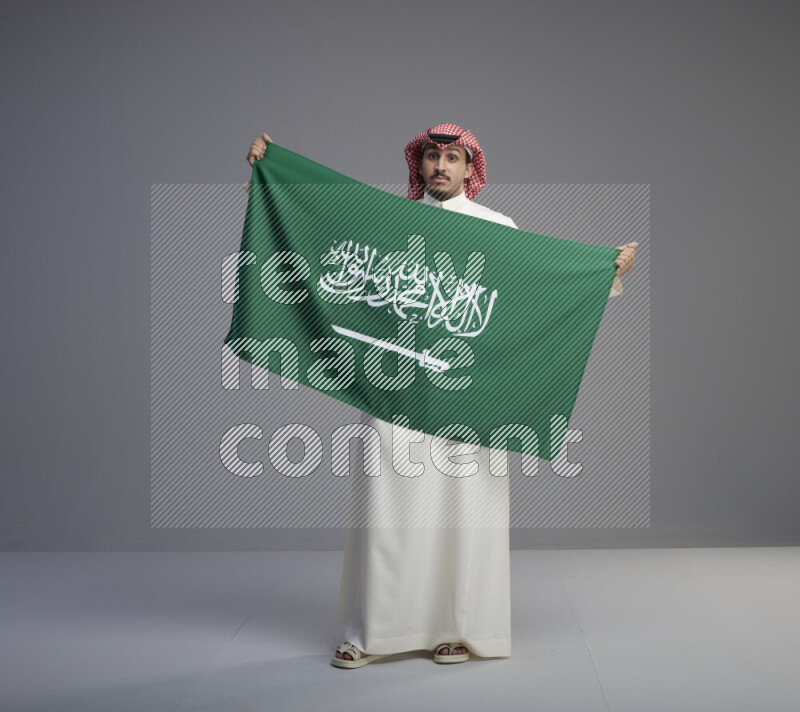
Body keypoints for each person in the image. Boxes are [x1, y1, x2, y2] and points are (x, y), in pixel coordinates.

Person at [245, 125, 637, 668]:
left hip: (469, 397)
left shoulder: (498, 230)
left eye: (452, 157)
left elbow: (538, 291)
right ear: (419, 164)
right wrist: (270, 176)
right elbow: (317, 227)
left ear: (468, 168)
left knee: (464, 515)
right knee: (387, 512)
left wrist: (602, 274)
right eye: (432, 156)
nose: (440, 167)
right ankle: (369, 633)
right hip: (392, 390)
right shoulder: (388, 224)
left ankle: (458, 630)